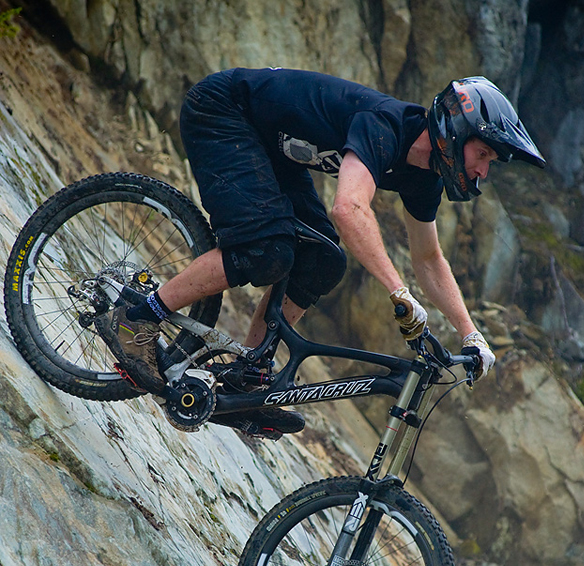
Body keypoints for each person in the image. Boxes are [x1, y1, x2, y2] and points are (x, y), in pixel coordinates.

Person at [97, 68, 545, 437]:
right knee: (264, 251)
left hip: (274, 148)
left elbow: (429, 258)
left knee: (322, 260)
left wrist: (470, 333)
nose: (484, 170)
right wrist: (399, 293)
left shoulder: (424, 175)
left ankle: (247, 373)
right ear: (454, 130)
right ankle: (139, 314)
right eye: (483, 153)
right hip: (224, 111)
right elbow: (349, 209)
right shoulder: (385, 125)